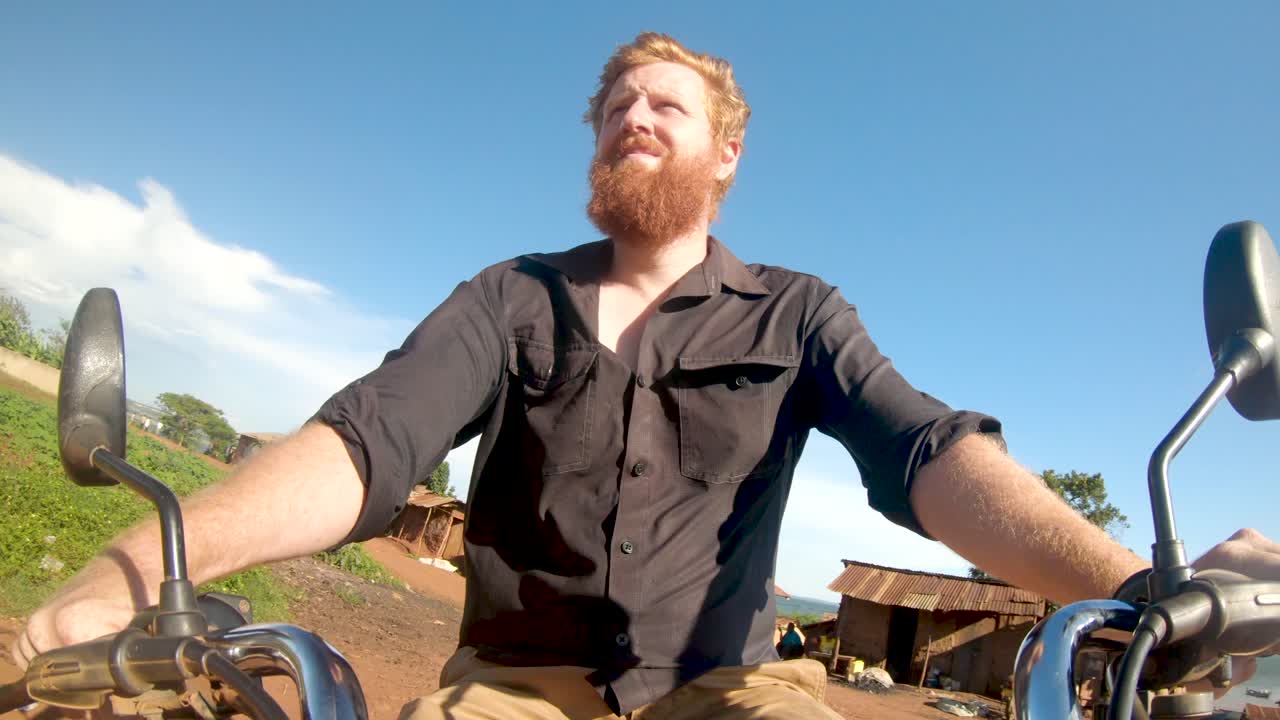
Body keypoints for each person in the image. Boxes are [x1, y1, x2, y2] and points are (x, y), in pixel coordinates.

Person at [14, 32, 1280, 720]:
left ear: (725, 153)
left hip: (726, 690)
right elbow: (362, 444)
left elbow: (926, 455)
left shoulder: (798, 313)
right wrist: (123, 574)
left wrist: (1142, 588)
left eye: (666, 105)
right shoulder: (508, 297)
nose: (634, 116)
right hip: (511, 689)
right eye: (617, 102)